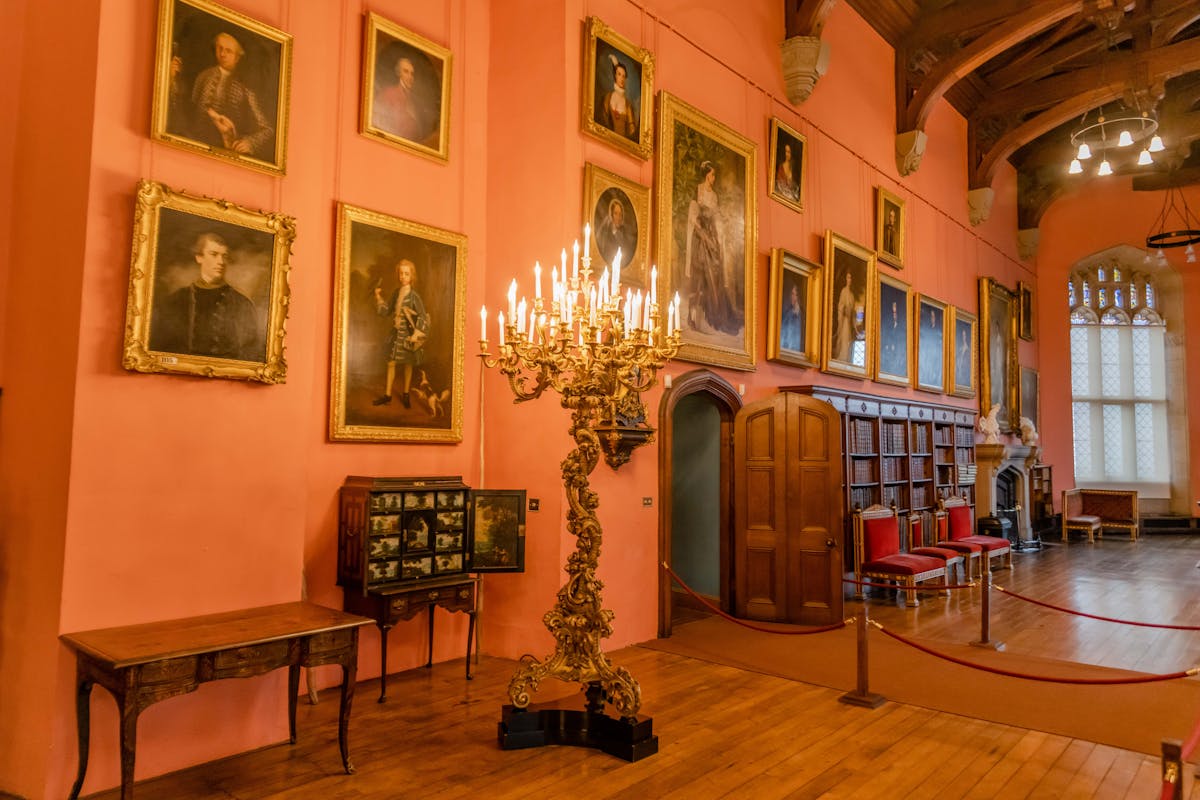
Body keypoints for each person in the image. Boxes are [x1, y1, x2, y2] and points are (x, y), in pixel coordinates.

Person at [150, 232, 261, 361]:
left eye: (224, 256)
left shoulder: (243, 304)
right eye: (214, 255)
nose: (221, 261)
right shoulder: (175, 301)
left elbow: (251, 352)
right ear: (199, 257)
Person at [187, 32, 274, 157]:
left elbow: (268, 129)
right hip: (196, 146)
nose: (222, 54)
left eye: (228, 51)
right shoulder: (203, 76)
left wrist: (250, 142)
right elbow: (189, 110)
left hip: (228, 149)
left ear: (237, 57)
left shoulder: (246, 86)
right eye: (219, 48)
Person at [684, 161, 738, 334]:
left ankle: (713, 315)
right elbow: (693, 216)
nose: (714, 178)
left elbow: (716, 217)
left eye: (714, 175)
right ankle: (691, 316)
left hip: (711, 235)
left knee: (714, 276)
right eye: (712, 174)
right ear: (707, 174)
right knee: (698, 278)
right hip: (700, 238)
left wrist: (718, 237)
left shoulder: (714, 196)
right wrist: (704, 236)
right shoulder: (698, 189)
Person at [373, 258, 430, 408]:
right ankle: (387, 395)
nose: (403, 276)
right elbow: (386, 311)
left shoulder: (414, 296)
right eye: (401, 274)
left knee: (408, 364)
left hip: (408, 336)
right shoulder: (396, 293)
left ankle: (405, 394)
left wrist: (416, 334)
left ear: (412, 276)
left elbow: (423, 316)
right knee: (391, 363)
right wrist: (378, 297)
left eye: (406, 274)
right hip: (396, 334)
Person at [373, 54, 430, 141]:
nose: (410, 77)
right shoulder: (388, 93)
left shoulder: (415, 100)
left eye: (412, 73)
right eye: (406, 72)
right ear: (399, 73)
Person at [599, 55, 637, 141]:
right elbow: (603, 121)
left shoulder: (628, 105)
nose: (622, 78)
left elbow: (632, 129)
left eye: (624, 76)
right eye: (619, 74)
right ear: (615, 75)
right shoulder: (608, 98)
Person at [595, 196, 636, 269]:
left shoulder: (625, 235)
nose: (618, 217)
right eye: (616, 213)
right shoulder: (605, 234)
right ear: (611, 214)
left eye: (620, 214)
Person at [833, 269, 857, 362]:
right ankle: (841, 359)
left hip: (849, 322)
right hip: (843, 321)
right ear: (846, 279)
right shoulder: (843, 291)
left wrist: (855, 325)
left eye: (850, 278)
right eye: (848, 277)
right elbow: (840, 305)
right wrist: (843, 310)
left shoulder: (852, 295)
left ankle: (846, 360)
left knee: (848, 342)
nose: (849, 280)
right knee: (843, 340)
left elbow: (854, 311)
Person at [919, 305, 943, 387]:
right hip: (927, 363)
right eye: (931, 316)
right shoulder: (925, 334)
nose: (933, 318)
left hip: (935, 363)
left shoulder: (938, 334)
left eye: (934, 316)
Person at [880, 299, 905, 376]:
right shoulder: (887, 327)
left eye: (896, 313)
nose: (894, 315)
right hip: (888, 356)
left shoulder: (902, 328)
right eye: (893, 313)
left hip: (898, 356)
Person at [779, 279, 803, 352]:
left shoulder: (802, 314)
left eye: (796, 295)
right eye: (792, 294)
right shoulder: (786, 313)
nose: (794, 297)